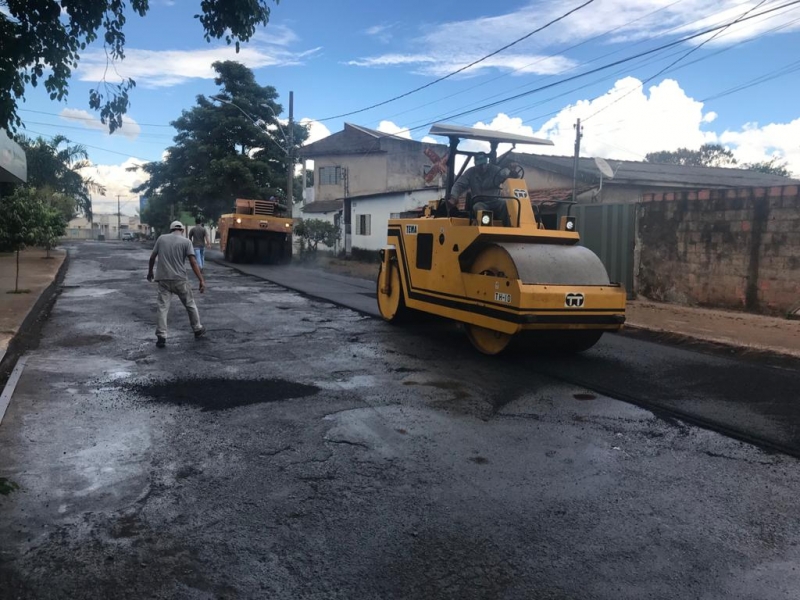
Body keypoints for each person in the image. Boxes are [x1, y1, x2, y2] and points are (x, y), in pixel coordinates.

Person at [147, 221, 207, 348]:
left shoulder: (161, 239)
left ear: (171, 230)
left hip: (163, 279)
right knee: (190, 304)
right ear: (182, 231)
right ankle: (197, 329)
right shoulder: (186, 242)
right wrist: (201, 279)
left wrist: (150, 272)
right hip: (180, 279)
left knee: (163, 308)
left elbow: (152, 257)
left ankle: (161, 336)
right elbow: (193, 262)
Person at [447, 152, 513, 226]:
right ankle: (487, 229)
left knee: (505, 204)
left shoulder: (495, 170)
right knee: (477, 207)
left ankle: (510, 229)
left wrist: (510, 173)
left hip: (495, 201)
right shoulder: (470, 173)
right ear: (475, 164)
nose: (483, 167)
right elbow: (459, 185)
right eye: (480, 165)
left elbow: (504, 174)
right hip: (481, 202)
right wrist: (454, 197)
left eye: (484, 164)